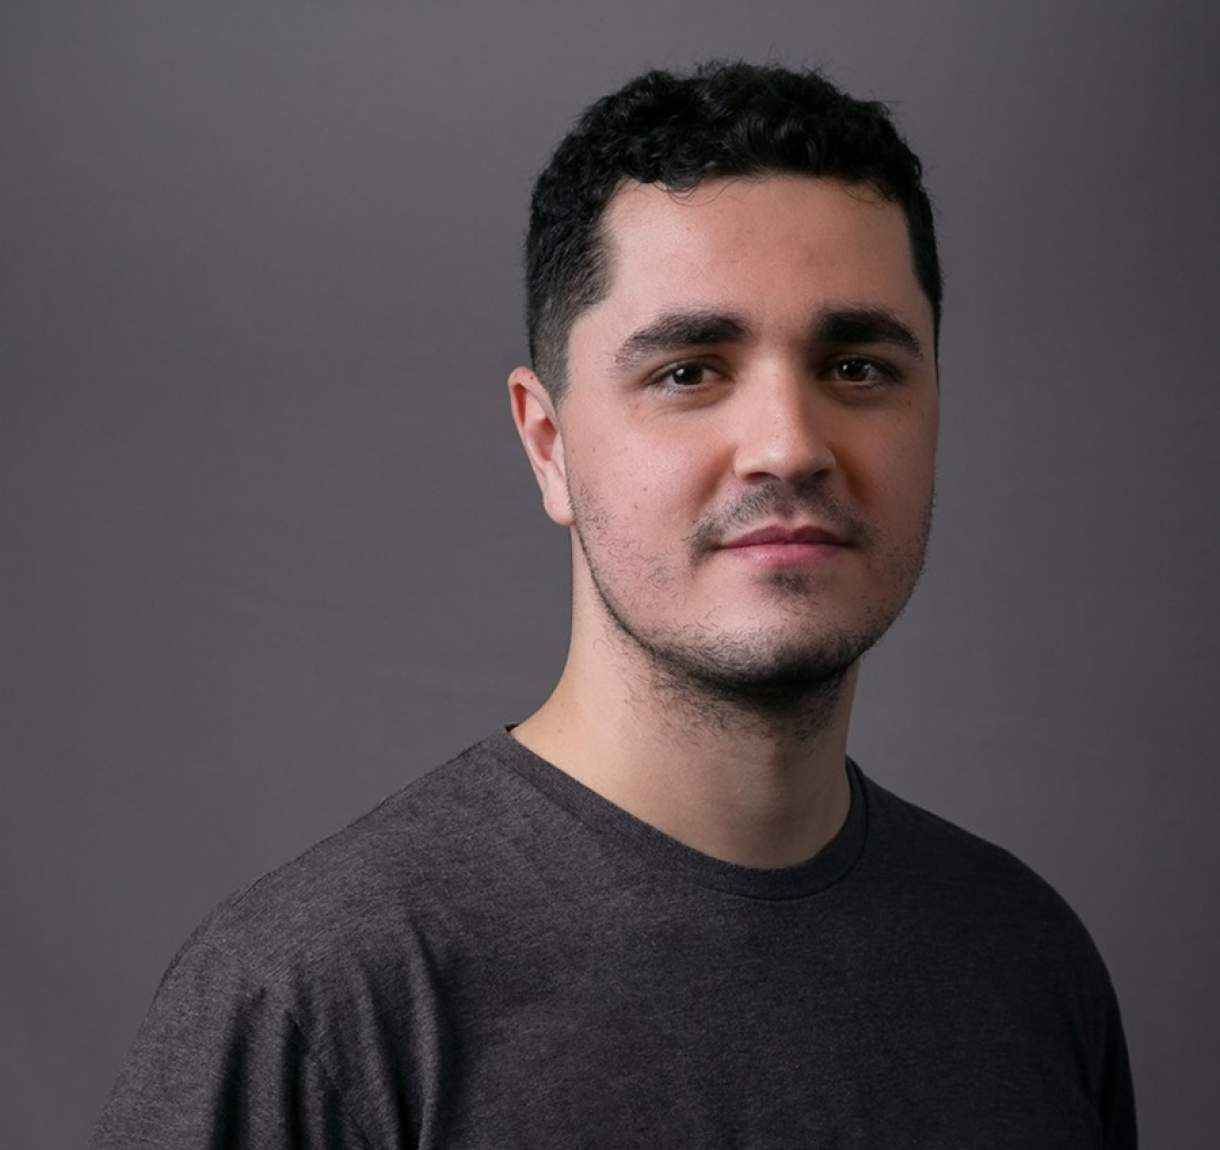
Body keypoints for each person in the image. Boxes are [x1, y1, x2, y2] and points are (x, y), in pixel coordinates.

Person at [91, 61, 1137, 1148]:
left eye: (858, 367)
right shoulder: (320, 1004)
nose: (789, 445)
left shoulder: (1028, 963)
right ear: (547, 444)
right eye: (689, 372)